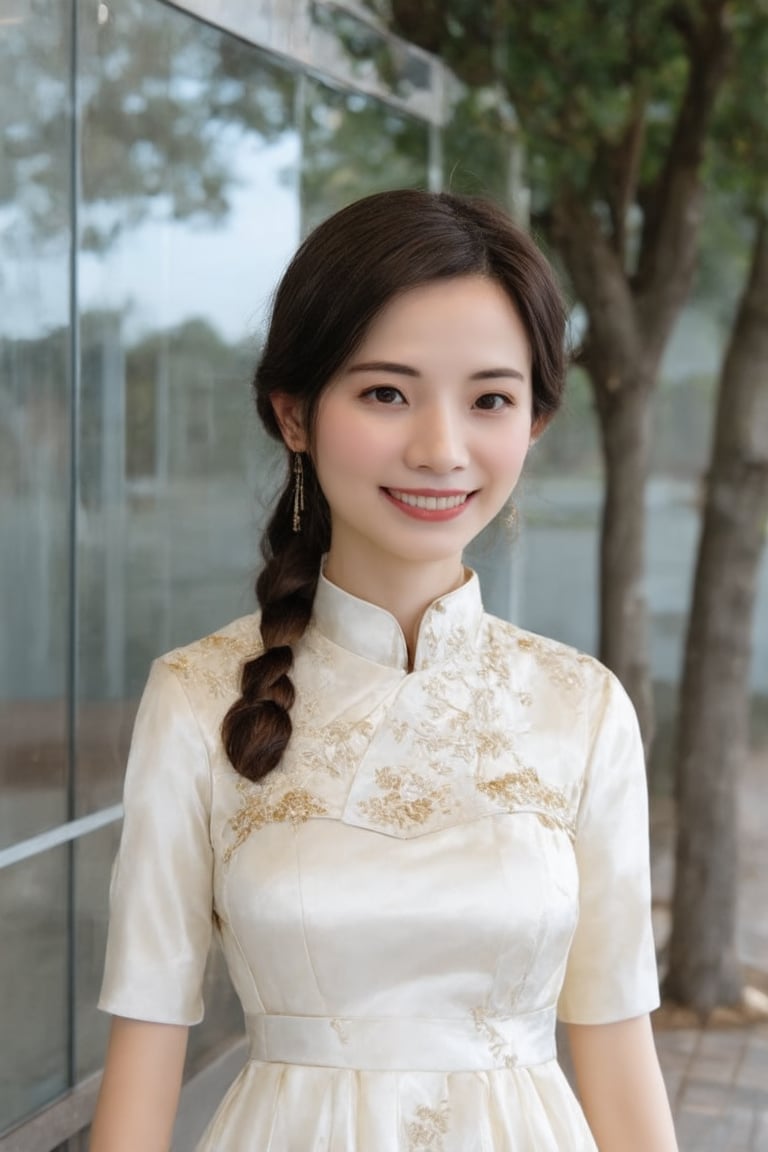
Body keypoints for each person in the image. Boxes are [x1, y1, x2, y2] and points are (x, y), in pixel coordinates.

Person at [91, 189, 679, 1151]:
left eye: (490, 398)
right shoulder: (198, 698)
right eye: (385, 393)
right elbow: (145, 1050)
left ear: (532, 423)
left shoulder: (582, 707)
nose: (440, 449)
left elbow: (619, 1056)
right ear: (293, 414)